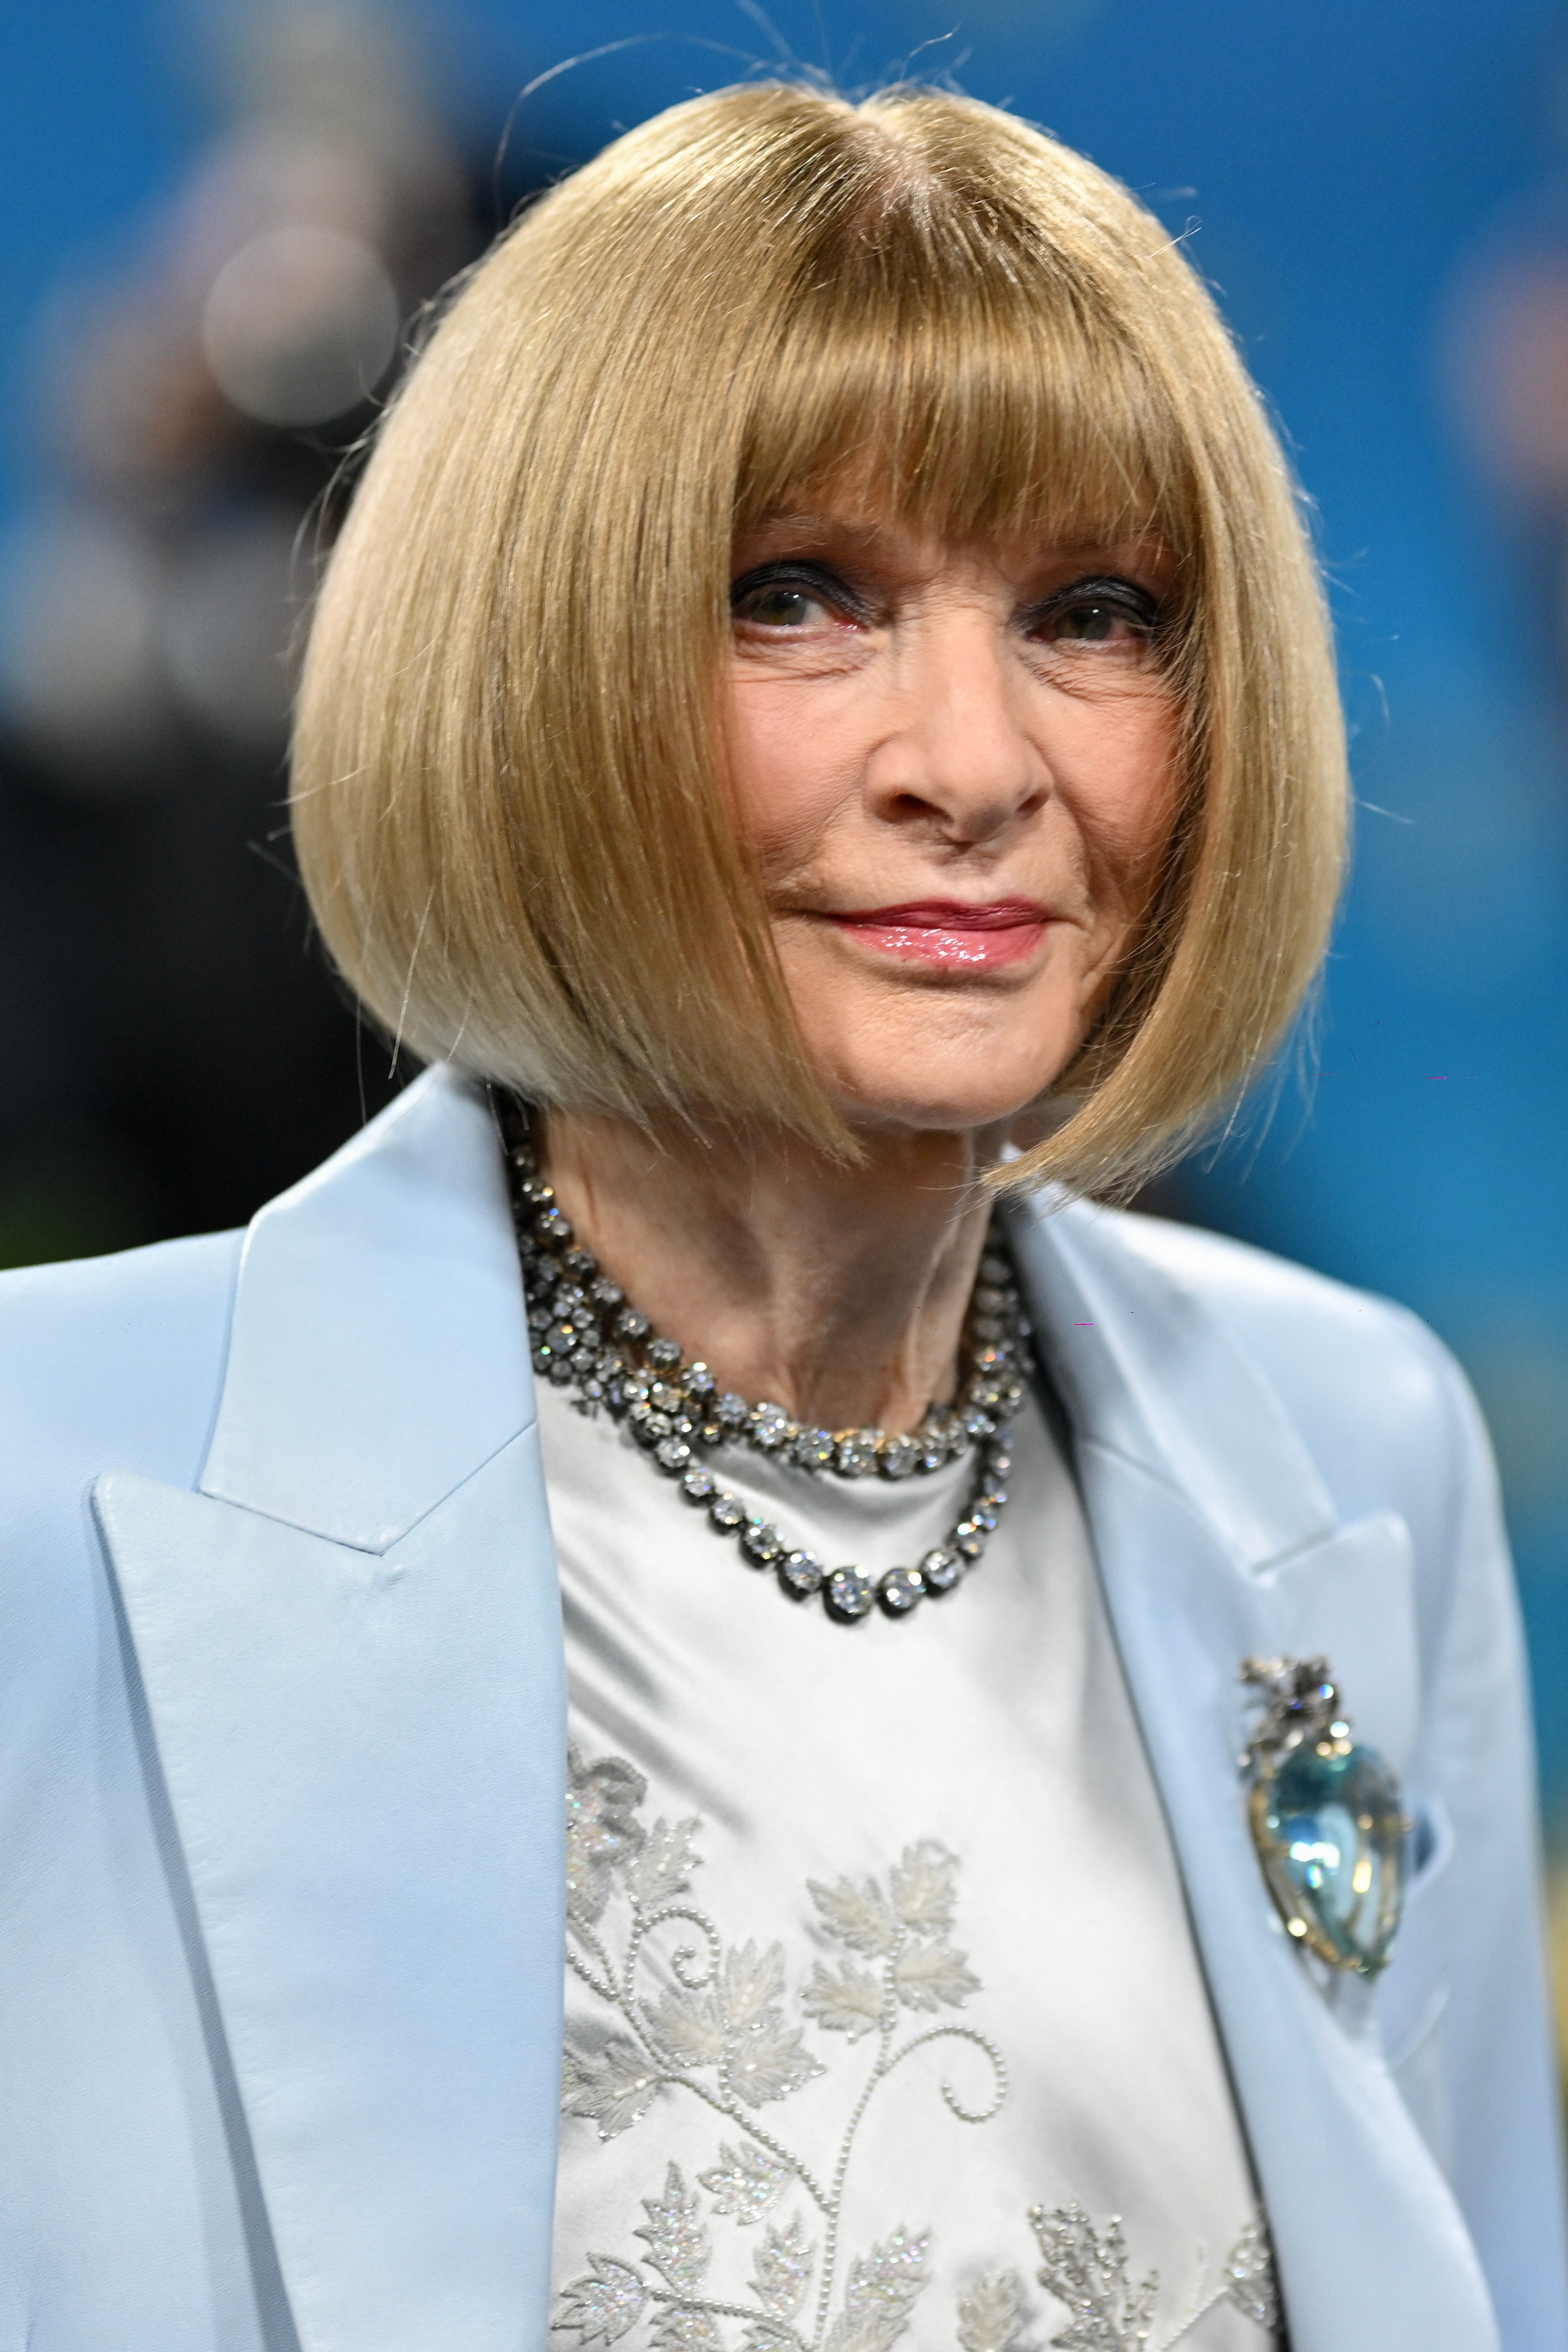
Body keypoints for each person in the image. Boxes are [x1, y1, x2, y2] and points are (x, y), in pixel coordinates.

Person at [0, 81, 1561, 2352]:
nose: (975, 758)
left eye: (1098, 611)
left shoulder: (1358, 1446)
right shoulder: (46, 1494)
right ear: (530, 655)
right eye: (799, 599)